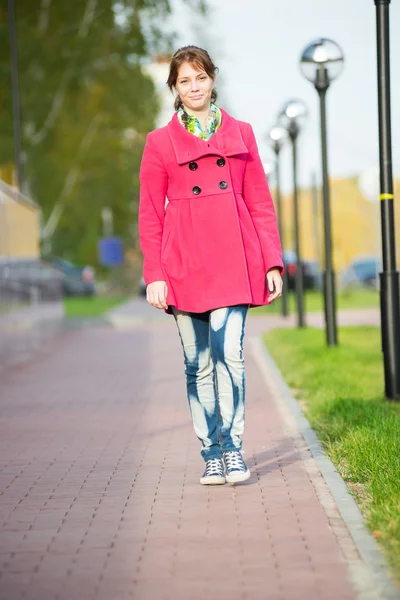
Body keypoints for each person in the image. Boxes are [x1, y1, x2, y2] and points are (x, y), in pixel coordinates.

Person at [139, 45, 283, 486]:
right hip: (182, 263)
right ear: (175, 89)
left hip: (234, 260)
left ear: (212, 80)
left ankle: (234, 449)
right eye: (185, 80)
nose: (194, 87)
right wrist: (155, 275)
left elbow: (260, 201)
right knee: (197, 363)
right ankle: (212, 452)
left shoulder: (241, 133)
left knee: (230, 356)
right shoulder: (159, 142)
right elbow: (150, 212)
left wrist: (272, 262)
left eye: (200, 77)